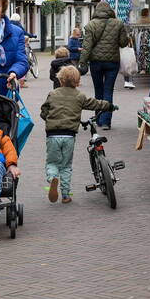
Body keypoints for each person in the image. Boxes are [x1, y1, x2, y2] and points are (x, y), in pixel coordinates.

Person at [40, 64, 116, 204]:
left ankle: (52, 179)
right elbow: (94, 104)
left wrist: (48, 118)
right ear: (77, 81)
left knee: (52, 162)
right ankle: (65, 196)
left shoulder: (53, 94)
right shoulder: (79, 96)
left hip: (52, 134)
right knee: (66, 165)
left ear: (60, 80)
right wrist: (109, 106)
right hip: (69, 135)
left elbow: (44, 111)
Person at [79, 1, 129, 130]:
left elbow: (87, 46)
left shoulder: (90, 25)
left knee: (98, 91)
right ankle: (106, 121)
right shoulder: (118, 24)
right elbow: (123, 43)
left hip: (95, 63)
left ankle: (99, 119)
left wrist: (82, 62)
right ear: (110, 10)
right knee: (108, 91)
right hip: (112, 62)